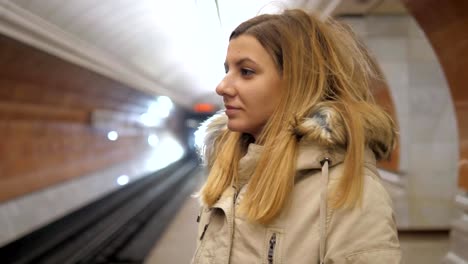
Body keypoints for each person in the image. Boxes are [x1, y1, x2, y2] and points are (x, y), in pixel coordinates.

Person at [192, 8, 401, 264]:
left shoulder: (346, 188)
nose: (222, 86)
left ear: (297, 82)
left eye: (246, 72)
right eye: (227, 70)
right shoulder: (230, 170)